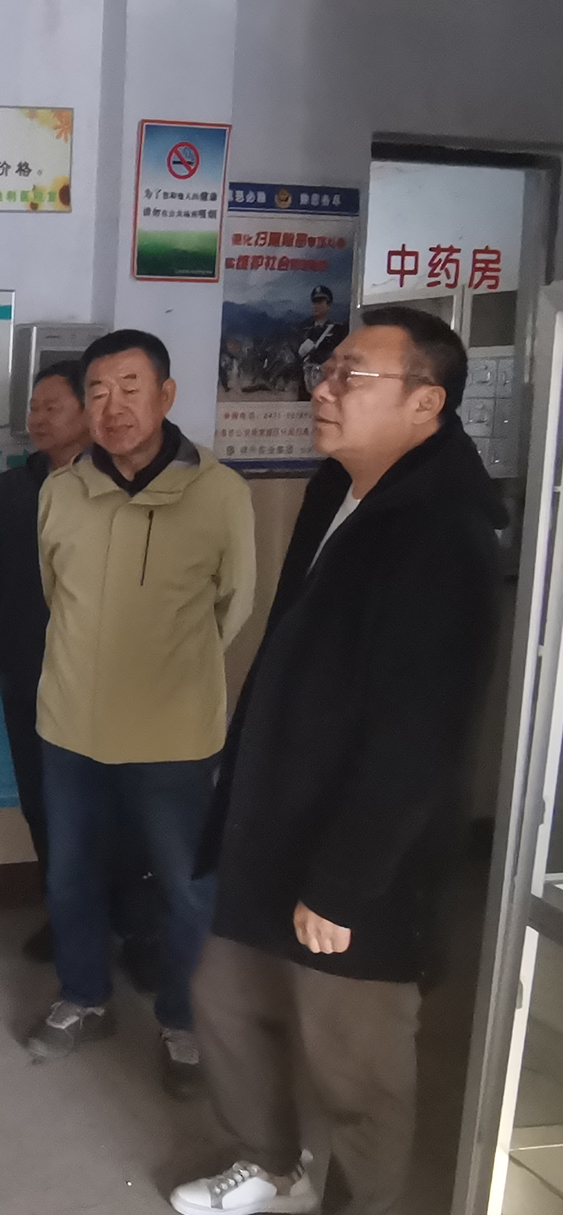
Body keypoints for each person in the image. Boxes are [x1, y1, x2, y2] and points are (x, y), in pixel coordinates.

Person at [172, 308, 506, 1215]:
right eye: (328, 371)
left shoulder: (443, 533)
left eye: (351, 375)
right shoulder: (341, 487)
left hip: (359, 859)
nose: (322, 388)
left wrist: (345, 883)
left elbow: (420, 735)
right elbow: (291, 656)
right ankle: (272, 1165)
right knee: (227, 1000)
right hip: (276, 820)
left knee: (354, 1061)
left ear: (425, 402)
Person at [23, 329, 255, 1102]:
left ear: (166, 395)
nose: (113, 405)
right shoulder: (61, 491)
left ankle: (183, 1018)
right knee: (70, 874)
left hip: (173, 732)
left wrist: (168, 670)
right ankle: (84, 995)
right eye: (97, 391)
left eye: (130, 387)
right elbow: (58, 595)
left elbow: (233, 605)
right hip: (72, 725)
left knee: (189, 887)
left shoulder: (219, 492)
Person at [0, 363, 91, 961]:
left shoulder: (116, 486)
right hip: (28, 679)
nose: (37, 419)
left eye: (52, 407)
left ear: (88, 412)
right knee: (41, 802)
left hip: (102, 684)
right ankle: (62, 917)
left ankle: (136, 927)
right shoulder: (14, 489)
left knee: (109, 806)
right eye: (34, 407)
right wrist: (1, 649)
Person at [295, 285, 347, 400]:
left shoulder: (337, 330)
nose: (316, 306)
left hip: (326, 383)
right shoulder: (304, 329)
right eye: (314, 302)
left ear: (328, 305)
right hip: (306, 385)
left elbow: (338, 356)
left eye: (320, 302)